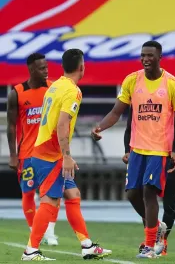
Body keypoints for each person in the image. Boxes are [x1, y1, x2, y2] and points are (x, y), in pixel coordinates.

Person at [91, 41, 175, 258]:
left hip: (159, 149)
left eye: (150, 55)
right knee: (132, 194)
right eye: (143, 55)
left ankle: (150, 246)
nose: (145, 59)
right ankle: (157, 227)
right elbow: (117, 112)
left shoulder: (172, 84)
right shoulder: (132, 80)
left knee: (148, 192)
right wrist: (100, 126)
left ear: (159, 57)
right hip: (137, 148)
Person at [21, 49, 112, 261]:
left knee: (73, 195)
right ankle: (30, 250)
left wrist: (65, 156)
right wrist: (67, 155)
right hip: (50, 155)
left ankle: (87, 246)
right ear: (82, 67)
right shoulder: (73, 91)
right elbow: (62, 125)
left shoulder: (55, 86)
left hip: (47, 151)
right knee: (50, 201)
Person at [122, 104, 175, 255]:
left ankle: (163, 240)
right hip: (145, 155)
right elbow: (130, 127)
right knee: (143, 194)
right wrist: (127, 150)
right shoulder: (138, 99)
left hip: (168, 159)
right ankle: (152, 235)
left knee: (169, 202)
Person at [7, 53, 59, 246]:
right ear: (31, 69)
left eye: (46, 67)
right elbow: (11, 125)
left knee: (53, 192)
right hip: (27, 153)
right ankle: (33, 231)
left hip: (50, 151)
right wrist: (13, 155)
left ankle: (50, 232)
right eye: (41, 68)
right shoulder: (17, 92)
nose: (46, 71)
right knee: (28, 192)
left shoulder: (53, 88)